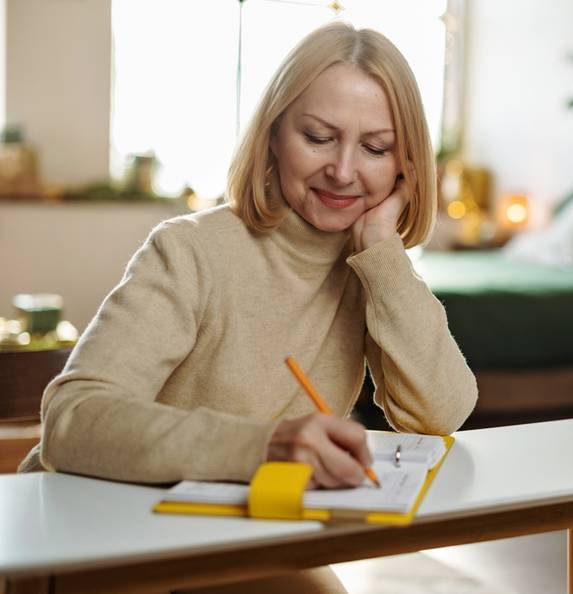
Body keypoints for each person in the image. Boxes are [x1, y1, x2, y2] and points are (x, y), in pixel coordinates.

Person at [19, 21, 478, 593]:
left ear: (405, 166)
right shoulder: (189, 249)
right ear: (273, 136)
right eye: (317, 137)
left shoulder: (368, 266)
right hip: (106, 533)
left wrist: (384, 255)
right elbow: (73, 420)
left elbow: (442, 413)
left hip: (244, 530)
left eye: (376, 148)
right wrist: (263, 447)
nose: (343, 170)